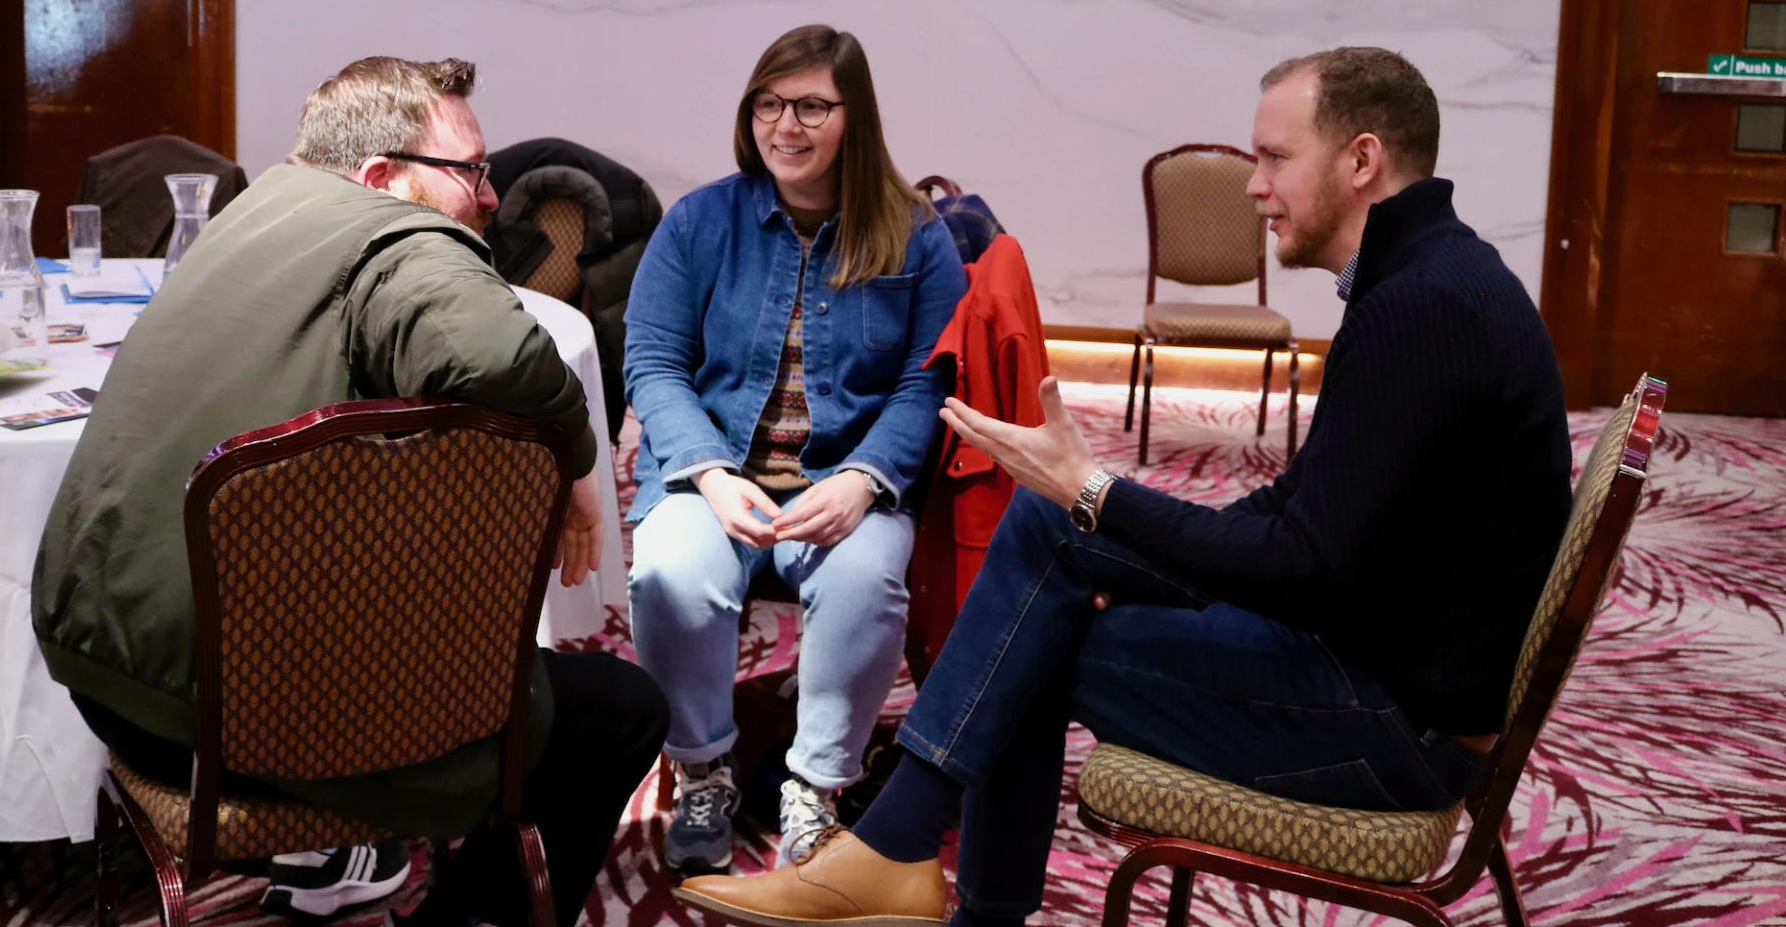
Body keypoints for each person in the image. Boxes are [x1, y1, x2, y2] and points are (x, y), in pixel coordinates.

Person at [673, 46, 1574, 927]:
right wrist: (1099, 517)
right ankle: (903, 858)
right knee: (1048, 529)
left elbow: (1308, 568)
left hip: (1395, 730)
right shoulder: (1430, 279)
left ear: (1362, 160)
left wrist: (1099, 495)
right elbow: (1303, 515)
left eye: (1274, 158)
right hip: (1377, 655)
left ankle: (914, 867)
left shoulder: (1420, 310)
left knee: (1031, 641)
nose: (1254, 186)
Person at [32, 57, 668, 927]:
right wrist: (582, 466)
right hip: (231, 717)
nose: (492, 196)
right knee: (625, 710)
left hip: (106, 674)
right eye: (470, 171)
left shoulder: (253, 210)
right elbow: (497, 355)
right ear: (380, 179)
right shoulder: (395, 235)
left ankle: (350, 851)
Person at [623, 25, 967, 873]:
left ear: (856, 117)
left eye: (812, 105)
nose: (786, 125)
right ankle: (703, 768)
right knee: (670, 572)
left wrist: (865, 479)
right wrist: (709, 474)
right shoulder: (700, 221)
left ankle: (814, 784)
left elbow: (929, 381)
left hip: (846, 482)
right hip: (712, 475)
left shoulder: (917, 236)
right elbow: (653, 362)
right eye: (769, 104)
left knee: (865, 581)